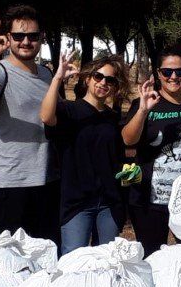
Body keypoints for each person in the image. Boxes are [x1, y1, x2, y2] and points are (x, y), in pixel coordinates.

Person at [0, 5, 58, 243]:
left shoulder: (47, 74)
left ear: (41, 37)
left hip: (46, 179)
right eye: (18, 36)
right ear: (8, 37)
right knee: (13, 256)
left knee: (46, 253)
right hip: (9, 181)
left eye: (33, 36)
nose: (26, 41)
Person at [121, 46, 181, 255]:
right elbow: (128, 140)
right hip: (149, 200)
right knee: (152, 258)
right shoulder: (145, 103)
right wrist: (143, 111)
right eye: (167, 71)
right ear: (158, 73)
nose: (173, 77)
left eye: (180, 71)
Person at [40, 52, 130, 254]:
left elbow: (115, 157)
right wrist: (57, 78)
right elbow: (46, 117)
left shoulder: (112, 118)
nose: (103, 83)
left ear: (114, 86)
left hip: (109, 203)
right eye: (98, 76)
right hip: (77, 203)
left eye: (110, 80)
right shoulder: (69, 110)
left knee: (107, 260)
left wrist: (128, 175)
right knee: (73, 261)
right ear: (88, 79)